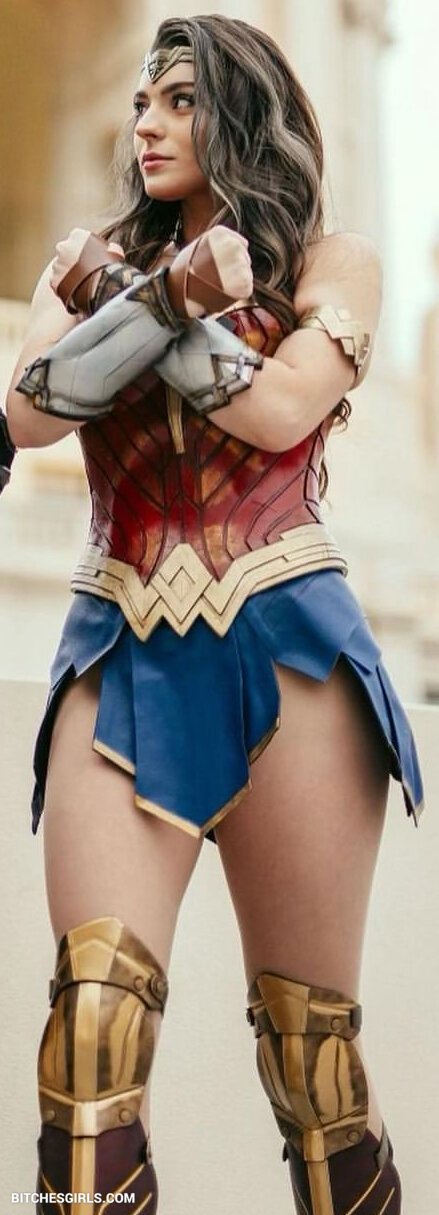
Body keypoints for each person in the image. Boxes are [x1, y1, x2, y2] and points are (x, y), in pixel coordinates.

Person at [6, 15, 422, 1215]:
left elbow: (280, 410)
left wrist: (129, 308)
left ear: (240, 112)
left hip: (288, 648)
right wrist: (163, 291)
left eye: (180, 99)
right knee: (89, 1041)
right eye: (142, 98)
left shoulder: (332, 263)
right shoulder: (84, 263)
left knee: (312, 1064)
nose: (146, 121)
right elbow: (30, 412)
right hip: (120, 642)